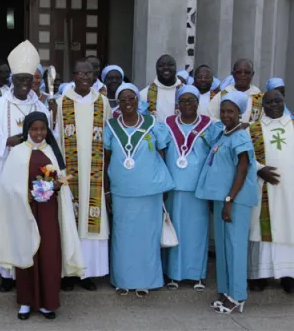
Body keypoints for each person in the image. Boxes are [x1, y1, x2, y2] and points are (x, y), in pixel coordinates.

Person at [0, 111, 83, 320]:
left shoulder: (52, 151)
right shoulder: (18, 152)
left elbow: (61, 180)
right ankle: (25, 302)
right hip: (25, 210)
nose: (39, 133)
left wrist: (56, 184)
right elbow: (8, 185)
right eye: (34, 129)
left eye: (42, 129)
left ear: (47, 130)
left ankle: (48, 304)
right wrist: (26, 195)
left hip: (49, 211)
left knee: (49, 255)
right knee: (26, 253)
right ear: (27, 130)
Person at [0, 40, 49, 291]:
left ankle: (28, 268)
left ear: (33, 81)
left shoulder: (41, 107)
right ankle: (6, 274)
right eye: (19, 79)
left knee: (30, 220)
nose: (23, 84)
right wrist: (5, 142)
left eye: (28, 80)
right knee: (7, 221)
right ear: (12, 79)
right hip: (6, 172)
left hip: (33, 176)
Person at [103, 83, 175, 297]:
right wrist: (107, 191)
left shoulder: (153, 124)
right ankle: (123, 280)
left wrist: (163, 184)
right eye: (123, 99)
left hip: (149, 190)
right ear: (118, 103)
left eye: (132, 98)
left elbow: (162, 154)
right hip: (122, 191)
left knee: (147, 237)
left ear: (138, 100)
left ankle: (147, 281)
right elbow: (107, 161)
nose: (128, 103)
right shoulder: (111, 127)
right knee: (123, 237)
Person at [195, 90, 258, 314]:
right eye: (223, 110)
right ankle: (225, 290)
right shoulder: (224, 133)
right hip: (223, 200)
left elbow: (242, 168)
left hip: (236, 201)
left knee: (235, 247)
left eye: (230, 111)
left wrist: (230, 200)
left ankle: (237, 295)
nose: (225, 114)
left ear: (239, 113)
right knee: (223, 248)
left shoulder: (241, 136)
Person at [54, 59, 112, 292]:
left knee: (91, 222)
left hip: (96, 174)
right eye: (80, 73)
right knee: (69, 220)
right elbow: (56, 137)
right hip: (70, 172)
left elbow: (109, 138)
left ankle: (87, 272)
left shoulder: (103, 102)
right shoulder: (61, 103)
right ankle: (69, 273)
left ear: (94, 76)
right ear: (74, 75)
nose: (85, 77)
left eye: (89, 73)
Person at [163, 85, 218, 291]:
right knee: (174, 229)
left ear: (198, 102)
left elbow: (215, 154)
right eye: (183, 101)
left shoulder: (209, 125)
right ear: (178, 104)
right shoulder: (168, 124)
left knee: (197, 232)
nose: (187, 104)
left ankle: (197, 274)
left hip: (198, 188)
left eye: (191, 100)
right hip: (174, 186)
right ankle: (174, 274)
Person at [247, 89, 294, 293]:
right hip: (263, 187)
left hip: (290, 190)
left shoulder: (293, 126)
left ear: (284, 102)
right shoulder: (253, 129)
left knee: (289, 226)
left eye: (278, 101)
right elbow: (245, 156)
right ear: (262, 106)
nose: (273, 105)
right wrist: (260, 169)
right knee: (261, 229)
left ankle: (288, 275)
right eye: (269, 102)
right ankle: (259, 275)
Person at [140, 54, 183, 123]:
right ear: (156, 69)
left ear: (176, 68)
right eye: (161, 65)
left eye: (170, 64)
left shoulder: (186, 92)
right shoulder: (144, 94)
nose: (166, 68)